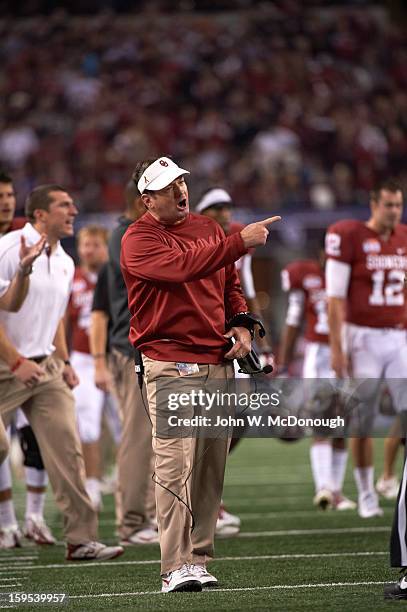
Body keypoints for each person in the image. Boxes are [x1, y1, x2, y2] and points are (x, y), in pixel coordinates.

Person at [121, 156, 280, 592]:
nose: (181, 191)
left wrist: (243, 325)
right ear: (147, 199)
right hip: (169, 361)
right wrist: (239, 242)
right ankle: (173, 566)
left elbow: (229, 287)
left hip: (216, 362)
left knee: (211, 466)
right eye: (170, 186)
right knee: (173, 466)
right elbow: (181, 268)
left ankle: (198, 557)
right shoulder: (138, 239)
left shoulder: (210, 230)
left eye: (183, 182)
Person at [0, 184, 124, 561]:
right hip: (5, 366)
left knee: (69, 451)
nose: (74, 210)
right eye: (64, 205)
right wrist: (16, 361)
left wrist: (65, 361)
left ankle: (81, 540)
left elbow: (56, 318)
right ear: (40, 215)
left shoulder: (66, 260)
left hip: (46, 366)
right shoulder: (6, 250)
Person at [196, 186, 274, 536]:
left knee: (234, 420)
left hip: (234, 338)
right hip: (203, 339)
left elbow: (245, 290)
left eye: (228, 207)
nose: (225, 213)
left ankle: (211, 498)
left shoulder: (238, 238)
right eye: (216, 208)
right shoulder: (195, 238)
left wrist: (259, 336)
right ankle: (204, 503)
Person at [326, 179, 406, 519]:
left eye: (398, 205)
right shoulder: (350, 235)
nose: (393, 211)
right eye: (388, 204)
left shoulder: (404, 238)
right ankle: (366, 493)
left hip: (398, 335)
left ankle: (394, 483)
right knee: (363, 419)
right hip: (362, 337)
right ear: (374, 204)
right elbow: (335, 297)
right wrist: (337, 347)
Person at [94, 178, 158, 545]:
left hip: (135, 348)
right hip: (129, 349)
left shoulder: (127, 235)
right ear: (143, 199)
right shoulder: (127, 236)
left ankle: (146, 515)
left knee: (151, 439)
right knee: (137, 438)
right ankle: (132, 522)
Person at [0, 171, 54, 547]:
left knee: (38, 435)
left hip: (28, 352)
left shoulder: (27, 236)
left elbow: (54, 299)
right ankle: (6, 522)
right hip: (9, 357)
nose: (5, 201)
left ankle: (33, 517)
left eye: (9, 194)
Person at [279, 246, 355, 511]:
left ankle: (336, 490)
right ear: (321, 254)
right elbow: (293, 318)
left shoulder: (353, 276)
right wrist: (283, 361)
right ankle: (323, 487)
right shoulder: (306, 275)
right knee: (322, 420)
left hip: (347, 352)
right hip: (319, 354)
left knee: (343, 424)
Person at [68, 224, 112, 511]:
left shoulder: (117, 277)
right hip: (83, 358)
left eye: (95, 244)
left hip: (116, 358)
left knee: (128, 430)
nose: (89, 250)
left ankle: (128, 480)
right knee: (88, 426)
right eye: (85, 244)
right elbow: (62, 321)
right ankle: (92, 484)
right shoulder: (70, 279)